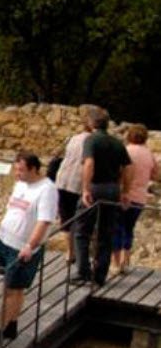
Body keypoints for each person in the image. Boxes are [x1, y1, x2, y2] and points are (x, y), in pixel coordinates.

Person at [0, 152, 57, 348]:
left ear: (34, 169)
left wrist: (30, 245)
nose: (17, 174)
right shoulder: (21, 184)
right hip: (5, 240)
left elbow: (44, 221)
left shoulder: (47, 189)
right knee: (15, 288)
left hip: (21, 247)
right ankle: (12, 324)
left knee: (10, 289)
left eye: (21, 170)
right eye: (15, 169)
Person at [75, 107, 130, 286]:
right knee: (106, 233)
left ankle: (83, 272)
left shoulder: (91, 140)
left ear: (91, 123)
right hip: (113, 189)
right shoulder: (117, 142)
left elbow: (89, 163)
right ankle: (99, 276)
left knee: (82, 230)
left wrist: (85, 189)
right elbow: (127, 168)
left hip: (96, 187)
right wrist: (125, 191)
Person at [113, 124, 157, 275]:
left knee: (117, 228)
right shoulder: (148, 154)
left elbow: (118, 171)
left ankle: (116, 263)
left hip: (122, 196)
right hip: (139, 198)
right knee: (128, 229)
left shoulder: (125, 150)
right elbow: (156, 174)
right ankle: (126, 261)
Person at [54, 116, 91, 267]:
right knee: (79, 218)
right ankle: (78, 252)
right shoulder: (92, 141)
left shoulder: (73, 138)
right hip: (78, 181)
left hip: (63, 179)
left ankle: (69, 252)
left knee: (65, 218)